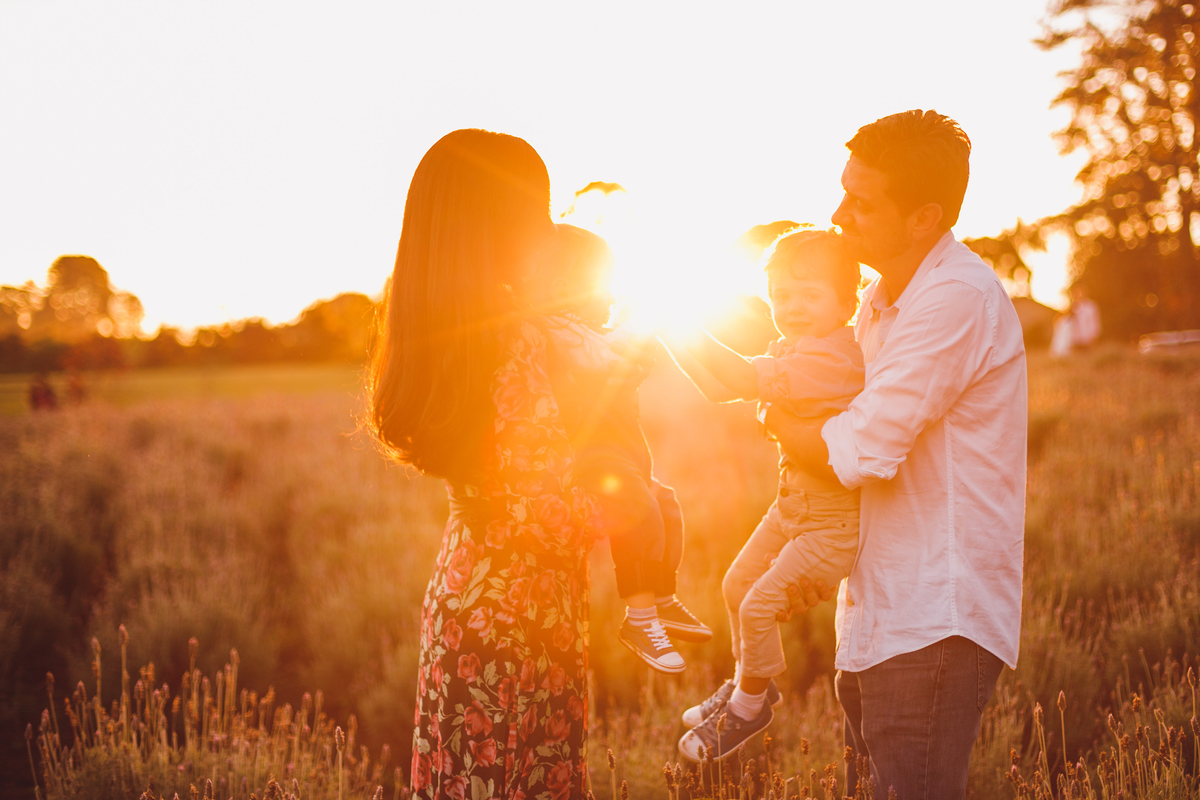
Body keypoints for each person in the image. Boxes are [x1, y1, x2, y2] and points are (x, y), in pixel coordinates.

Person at [768, 110, 1026, 798]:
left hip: (932, 627)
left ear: (924, 219)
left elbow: (859, 450)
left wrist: (765, 407)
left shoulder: (954, 298)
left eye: (861, 201)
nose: (838, 214)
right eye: (843, 191)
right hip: (882, 617)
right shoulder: (880, 302)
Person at [366, 129, 599, 800]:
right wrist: (635, 509)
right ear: (503, 222)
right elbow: (543, 513)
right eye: (538, 212)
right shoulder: (516, 335)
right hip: (521, 618)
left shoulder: (445, 326)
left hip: (463, 595)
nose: (550, 230)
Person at [659, 229, 864, 759]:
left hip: (831, 523)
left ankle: (749, 710)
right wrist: (661, 335)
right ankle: (753, 681)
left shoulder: (834, 359)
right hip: (793, 507)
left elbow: (732, 376)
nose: (792, 307)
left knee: (758, 605)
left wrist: (674, 315)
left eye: (809, 295)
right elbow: (718, 387)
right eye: (781, 296)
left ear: (847, 302)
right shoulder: (794, 348)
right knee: (735, 586)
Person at [533, 224, 712, 675]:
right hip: (597, 456)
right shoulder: (559, 331)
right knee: (638, 508)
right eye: (601, 285)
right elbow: (601, 358)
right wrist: (638, 330)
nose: (610, 296)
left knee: (665, 505)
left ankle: (664, 597)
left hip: (628, 451)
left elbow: (615, 359)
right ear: (562, 290)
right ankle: (639, 617)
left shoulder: (588, 330)